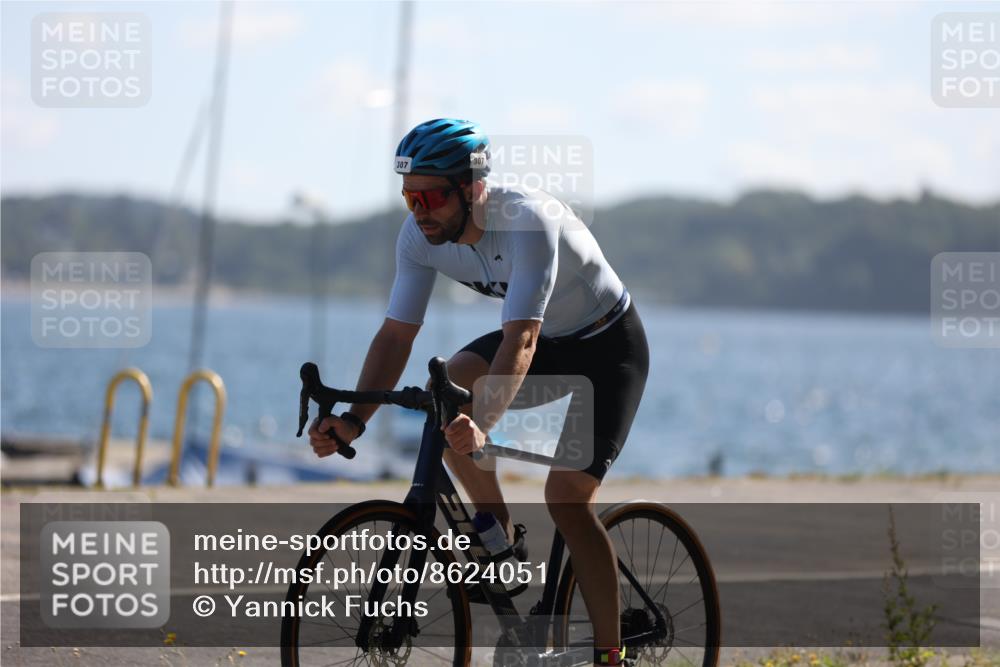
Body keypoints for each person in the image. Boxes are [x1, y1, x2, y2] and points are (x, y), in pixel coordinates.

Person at [309, 118, 649, 667]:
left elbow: (522, 338)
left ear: (471, 187)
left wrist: (484, 425)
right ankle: (500, 540)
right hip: (545, 338)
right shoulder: (419, 237)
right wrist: (355, 420)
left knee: (565, 498)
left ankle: (611, 654)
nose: (419, 210)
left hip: (607, 347)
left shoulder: (527, 222)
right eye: (409, 197)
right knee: (444, 403)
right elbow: (396, 335)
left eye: (432, 196)